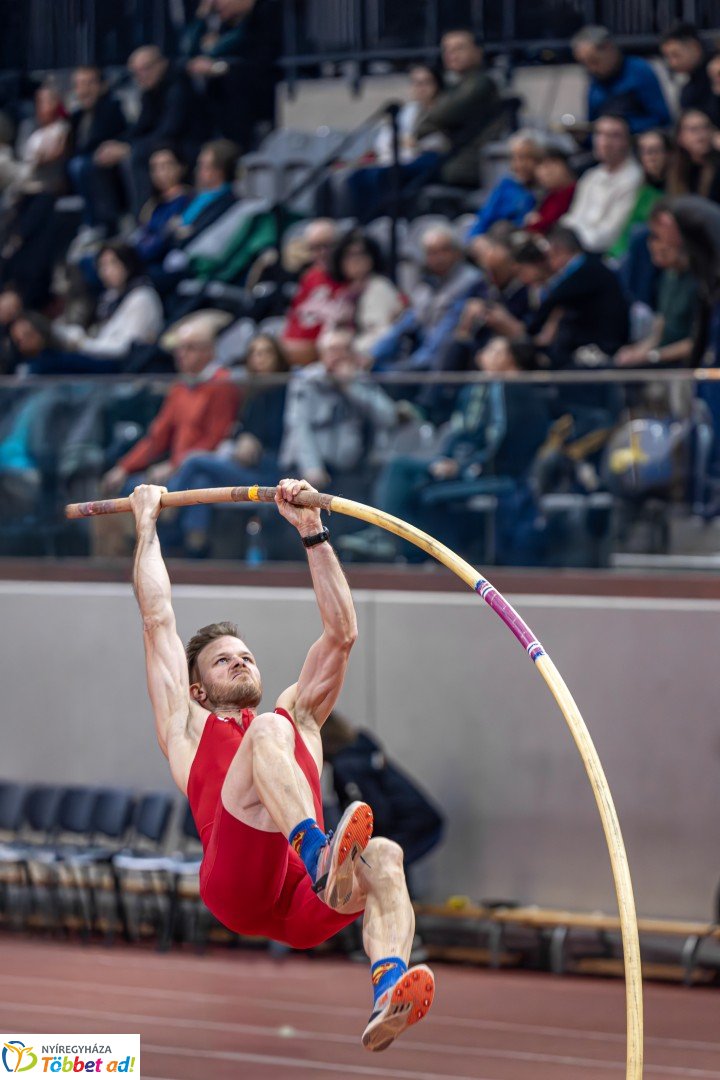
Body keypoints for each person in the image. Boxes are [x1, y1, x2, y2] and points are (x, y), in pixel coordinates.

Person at [129, 477, 435, 1051]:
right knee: (272, 729)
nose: (241, 663)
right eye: (224, 662)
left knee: (388, 856)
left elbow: (341, 634)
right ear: (198, 689)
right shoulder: (187, 727)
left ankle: (389, 988)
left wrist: (312, 532)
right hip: (237, 884)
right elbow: (158, 621)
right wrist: (146, 525)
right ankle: (320, 850)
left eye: (245, 656)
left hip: (302, 903)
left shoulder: (304, 719)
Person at [163, 332, 290, 554]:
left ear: (278, 357)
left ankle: (168, 506)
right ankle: (195, 546)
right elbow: (240, 432)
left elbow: (277, 435)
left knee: (194, 461)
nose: (258, 359)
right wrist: (242, 440)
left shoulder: (286, 391)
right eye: (253, 353)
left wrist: (254, 444)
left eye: (265, 353)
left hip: (272, 472)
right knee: (201, 479)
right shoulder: (251, 393)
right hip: (243, 464)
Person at [279, 328, 397, 493]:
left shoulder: (360, 381)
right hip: (306, 469)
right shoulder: (306, 381)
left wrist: (350, 387)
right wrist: (312, 467)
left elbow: (388, 417)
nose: (338, 356)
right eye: (333, 350)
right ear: (322, 354)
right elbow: (299, 427)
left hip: (348, 471)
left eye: (344, 349)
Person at [321, 712, 444, 871]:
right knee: (387, 863)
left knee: (383, 864)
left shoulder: (347, 766)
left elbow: (376, 814)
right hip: (419, 820)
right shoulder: (359, 753)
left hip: (412, 824)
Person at [94, 46, 206, 216]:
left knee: (137, 155)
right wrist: (117, 144)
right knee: (101, 159)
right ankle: (108, 221)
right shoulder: (150, 91)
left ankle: (143, 217)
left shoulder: (178, 87)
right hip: (164, 141)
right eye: (136, 72)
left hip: (186, 144)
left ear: (161, 64)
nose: (141, 76)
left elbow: (171, 129)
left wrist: (128, 148)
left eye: (145, 69)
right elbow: (141, 127)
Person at [414, 28, 501, 188]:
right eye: (447, 49)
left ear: (477, 51)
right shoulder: (453, 86)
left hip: (466, 162)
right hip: (449, 159)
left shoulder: (480, 83)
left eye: (459, 48)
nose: (451, 54)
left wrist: (430, 124)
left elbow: (441, 115)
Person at [54, 242, 163, 366]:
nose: (106, 271)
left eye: (113, 263)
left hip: (128, 367)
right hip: (105, 360)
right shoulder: (109, 297)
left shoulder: (142, 297)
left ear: (128, 264)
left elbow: (125, 348)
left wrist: (82, 344)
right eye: (102, 266)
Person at [561, 113, 643, 253]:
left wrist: (572, 239)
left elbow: (610, 234)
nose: (604, 142)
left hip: (604, 254)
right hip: (575, 246)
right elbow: (573, 218)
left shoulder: (634, 178)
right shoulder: (591, 176)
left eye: (614, 136)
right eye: (599, 134)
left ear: (627, 142)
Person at [571, 25, 671, 134]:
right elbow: (592, 125)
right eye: (585, 64)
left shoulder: (639, 71)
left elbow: (662, 119)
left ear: (609, 49)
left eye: (594, 61)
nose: (591, 68)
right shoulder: (595, 83)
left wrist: (623, 127)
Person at [67, 65, 127, 235]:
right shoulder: (77, 116)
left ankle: (101, 223)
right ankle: (90, 223)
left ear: (102, 86)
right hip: (85, 166)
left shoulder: (111, 108)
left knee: (81, 165)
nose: (84, 90)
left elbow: (101, 141)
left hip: (107, 166)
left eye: (89, 83)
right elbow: (75, 147)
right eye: (79, 84)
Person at [328, 229, 405, 359]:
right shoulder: (344, 293)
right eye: (348, 255)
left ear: (372, 258)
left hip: (373, 362)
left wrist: (349, 350)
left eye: (361, 254)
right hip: (341, 360)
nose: (355, 260)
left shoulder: (380, 288)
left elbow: (383, 334)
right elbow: (328, 336)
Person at [281, 218, 342, 367]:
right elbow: (294, 319)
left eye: (327, 246)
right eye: (314, 248)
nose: (321, 253)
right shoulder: (310, 276)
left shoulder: (347, 277)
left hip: (323, 355)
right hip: (294, 351)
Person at [466, 131, 543, 238]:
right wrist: (475, 240)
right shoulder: (507, 186)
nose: (518, 165)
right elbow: (484, 219)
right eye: (514, 158)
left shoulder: (547, 189)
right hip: (497, 241)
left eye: (525, 158)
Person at [608, 128, 670, 259]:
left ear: (669, 153)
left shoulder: (677, 188)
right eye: (645, 152)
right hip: (623, 255)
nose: (651, 157)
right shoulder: (638, 188)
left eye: (656, 150)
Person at [660, 23, 714, 117]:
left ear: (694, 47)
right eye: (667, 57)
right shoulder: (689, 86)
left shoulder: (714, 74)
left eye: (676, 55)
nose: (672, 63)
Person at [666, 109, 720, 202]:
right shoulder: (676, 169)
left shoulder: (717, 165)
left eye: (706, 127)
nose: (702, 134)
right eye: (694, 129)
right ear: (680, 137)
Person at [524, 149, 577, 235]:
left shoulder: (573, 191)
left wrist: (535, 223)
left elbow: (551, 223)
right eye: (540, 167)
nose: (545, 172)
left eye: (550, 165)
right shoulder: (550, 196)